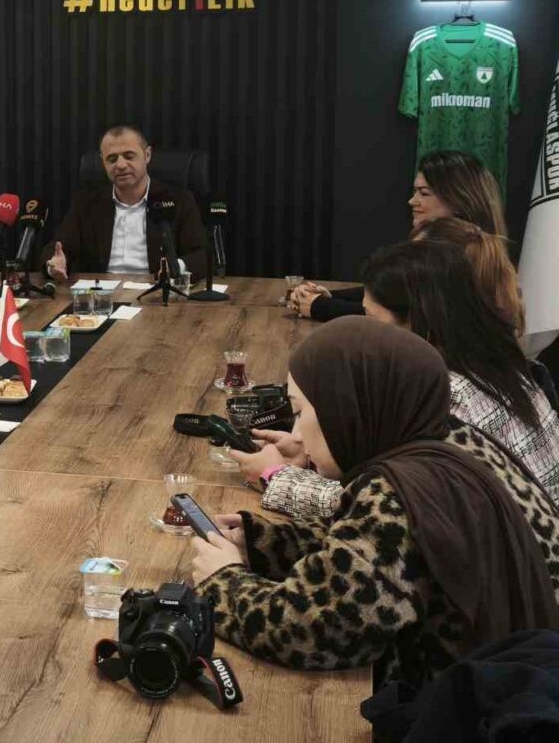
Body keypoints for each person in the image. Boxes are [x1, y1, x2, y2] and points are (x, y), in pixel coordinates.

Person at [189, 317, 559, 685]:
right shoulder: (446, 438)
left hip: (475, 702)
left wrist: (223, 582)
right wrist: (265, 545)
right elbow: (364, 550)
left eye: (301, 413)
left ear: (348, 408)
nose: (297, 435)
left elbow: (314, 631)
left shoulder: (397, 495)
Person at [235, 240, 559, 516]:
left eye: (371, 318)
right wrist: (314, 453)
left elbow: (390, 512)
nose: (364, 331)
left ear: (416, 319)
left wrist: (274, 475)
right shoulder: (504, 367)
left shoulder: (444, 397)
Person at [290, 149, 507, 320]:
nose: (412, 201)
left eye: (423, 193)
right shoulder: (458, 248)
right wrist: (328, 297)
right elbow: (394, 293)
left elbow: (407, 318)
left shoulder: (462, 255)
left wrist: (321, 306)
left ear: (459, 200)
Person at [43, 124, 206, 281]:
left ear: (147, 155)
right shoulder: (86, 204)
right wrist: (55, 264)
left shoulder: (178, 200)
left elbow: (201, 255)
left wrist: (175, 267)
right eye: (112, 159)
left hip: (155, 290)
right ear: (103, 162)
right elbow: (56, 249)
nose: (120, 165)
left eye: (129, 156)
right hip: (102, 294)